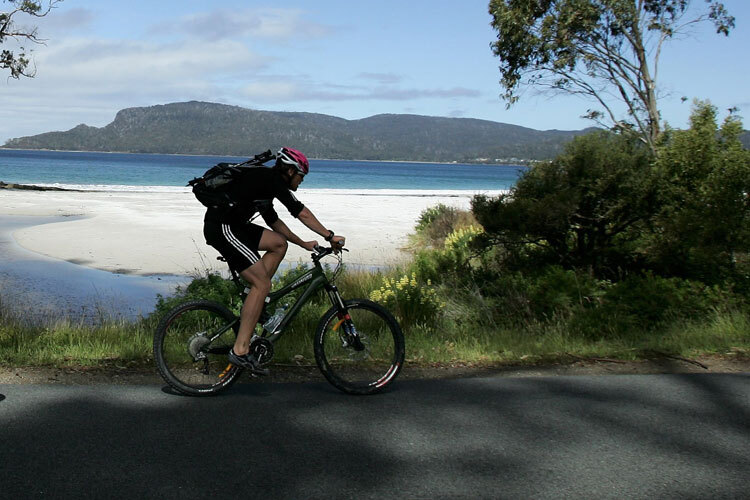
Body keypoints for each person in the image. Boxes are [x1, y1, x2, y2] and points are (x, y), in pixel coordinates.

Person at [202, 147, 345, 375]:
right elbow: (300, 211)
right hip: (223, 228)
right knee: (262, 284)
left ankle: (256, 302)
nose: (301, 181)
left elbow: (274, 222)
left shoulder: (263, 184)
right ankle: (240, 350)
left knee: (279, 243)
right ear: (289, 170)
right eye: (301, 176)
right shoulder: (270, 179)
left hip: (235, 227)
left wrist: (303, 243)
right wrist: (329, 235)